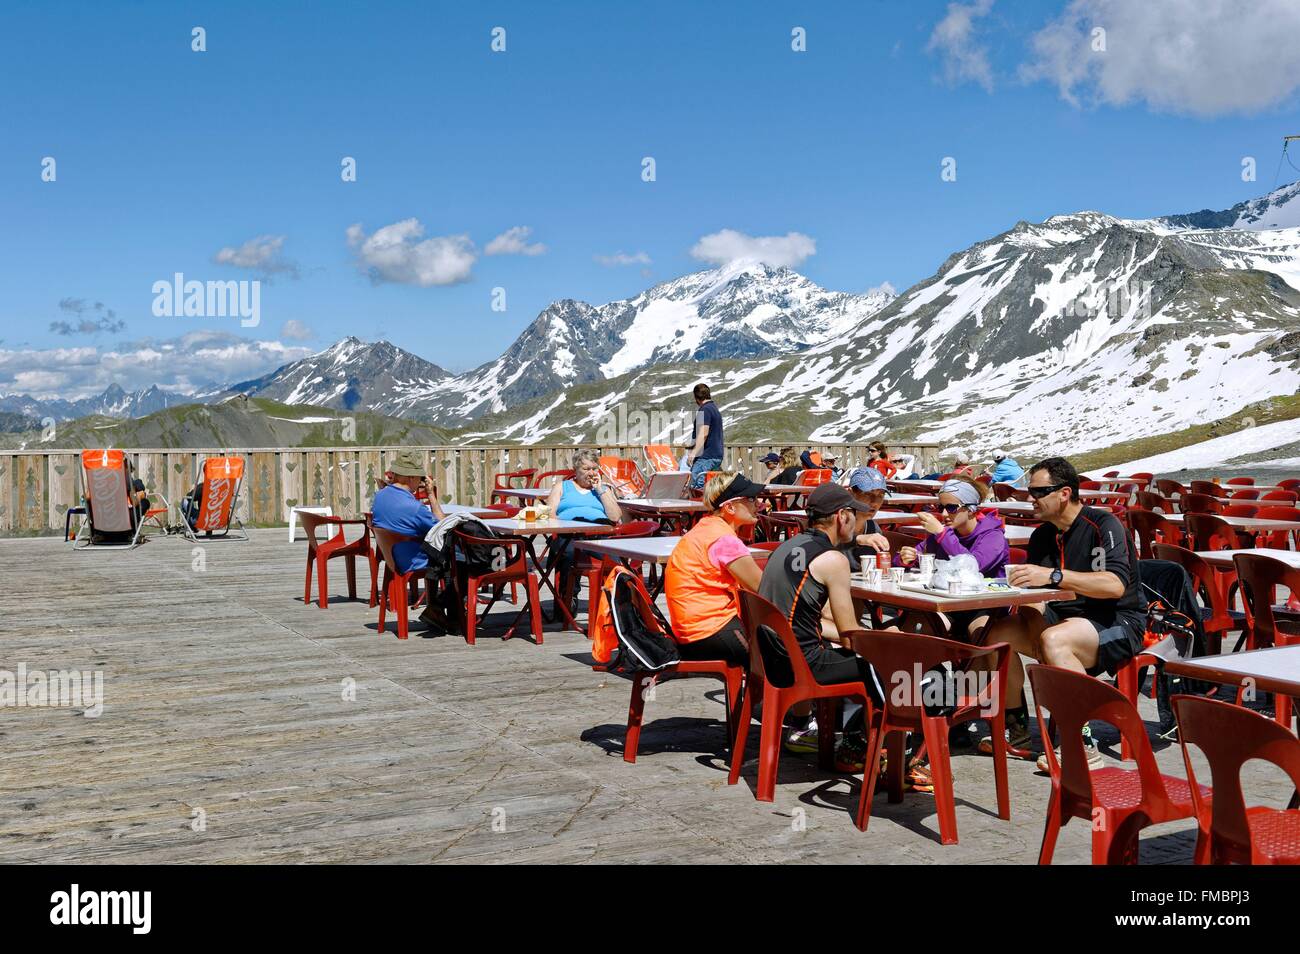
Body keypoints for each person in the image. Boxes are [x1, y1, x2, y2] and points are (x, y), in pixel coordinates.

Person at [979, 456, 1146, 770]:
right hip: (1065, 620)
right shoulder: (1043, 535)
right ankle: (1017, 732)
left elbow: (1114, 586)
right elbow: (1034, 594)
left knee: (1056, 641)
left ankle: (1081, 743)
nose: (1031, 499)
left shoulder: (1103, 525)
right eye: (1030, 492)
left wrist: (1054, 576)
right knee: (996, 635)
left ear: (1065, 493)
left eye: (1039, 492)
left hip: (1118, 621)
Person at [758, 482, 885, 771]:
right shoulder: (833, 560)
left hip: (775, 658)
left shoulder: (787, 546)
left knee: (877, 653)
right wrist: (887, 643)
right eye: (857, 516)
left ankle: (861, 744)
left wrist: (874, 637)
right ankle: (877, 752)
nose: (859, 525)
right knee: (891, 667)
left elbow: (800, 620)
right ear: (843, 516)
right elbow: (851, 635)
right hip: (805, 664)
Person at [664, 472, 766, 665]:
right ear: (729, 507)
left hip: (688, 633)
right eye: (751, 499)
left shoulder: (706, 527)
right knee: (787, 653)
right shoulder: (725, 540)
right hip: (710, 631)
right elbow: (763, 589)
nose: (760, 504)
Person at [895, 475, 1009, 641]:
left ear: (971, 509)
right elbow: (915, 558)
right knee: (914, 628)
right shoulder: (945, 534)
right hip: (946, 603)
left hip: (985, 605)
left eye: (951, 508)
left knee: (982, 636)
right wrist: (906, 558)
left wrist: (942, 533)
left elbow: (971, 566)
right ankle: (924, 667)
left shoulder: (993, 536)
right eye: (940, 506)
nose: (943, 514)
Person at [371, 451, 447, 624]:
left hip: (393, 555)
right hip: (410, 558)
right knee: (459, 558)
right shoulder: (414, 508)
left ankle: (436, 609)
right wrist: (431, 495)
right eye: (420, 478)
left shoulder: (379, 497)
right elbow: (442, 526)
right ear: (412, 477)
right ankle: (441, 610)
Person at [547, 450, 624, 605]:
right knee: (567, 555)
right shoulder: (562, 486)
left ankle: (616, 603)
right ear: (576, 470)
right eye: (586, 469)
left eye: (594, 469)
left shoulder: (603, 490)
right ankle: (569, 598)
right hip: (570, 535)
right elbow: (549, 514)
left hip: (599, 536)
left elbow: (615, 517)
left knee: (616, 563)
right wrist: (564, 526)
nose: (591, 473)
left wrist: (600, 490)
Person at [682, 383, 724, 489]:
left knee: (695, 487)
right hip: (716, 456)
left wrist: (694, 453)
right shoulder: (714, 409)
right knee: (709, 488)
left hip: (706, 457)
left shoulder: (704, 410)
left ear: (696, 397)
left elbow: (704, 433)